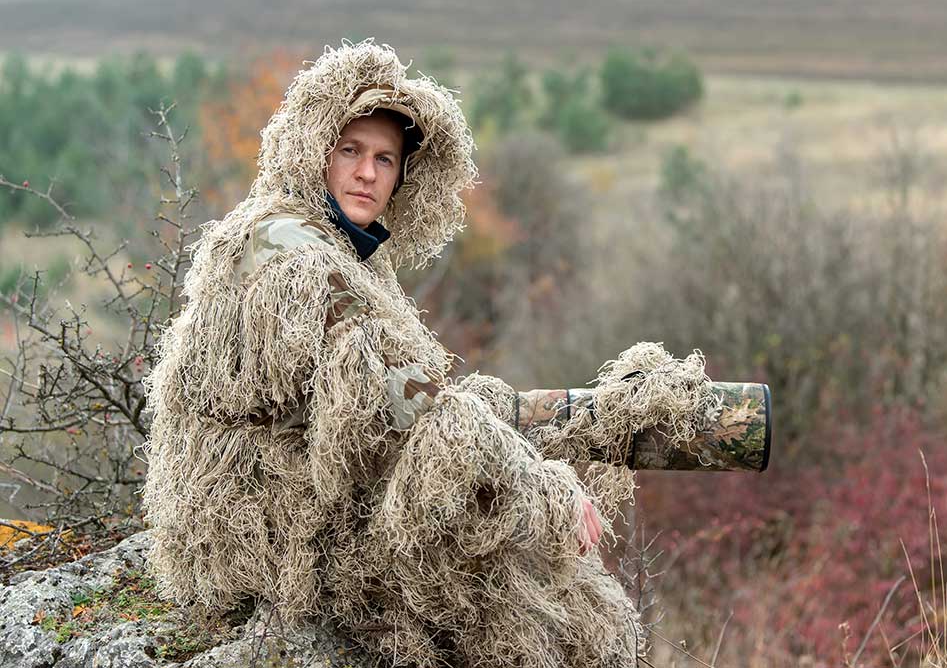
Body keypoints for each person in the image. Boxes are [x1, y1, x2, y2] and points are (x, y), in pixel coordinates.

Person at [143, 41, 712, 667]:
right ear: (312, 151)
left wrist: (546, 424)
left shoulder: (347, 249)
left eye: (386, 159)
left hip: (296, 515)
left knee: (511, 532)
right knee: (542, 609)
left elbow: (407, 395)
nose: (367, 173)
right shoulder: (287, 246)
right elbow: (390, 400)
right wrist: (538, 484)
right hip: (269, 541)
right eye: (350, 150)